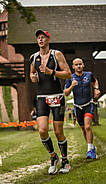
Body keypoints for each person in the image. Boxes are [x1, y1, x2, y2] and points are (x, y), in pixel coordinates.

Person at [30, 29, 72, 174]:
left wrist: (51, 72)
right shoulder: (33, 57)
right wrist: (33, 77)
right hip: (41, 97)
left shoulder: (57, 54)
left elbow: (68, 74)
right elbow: (32, 73)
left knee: (58, 131)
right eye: (38, 38)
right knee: (42, 130)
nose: (40, 40)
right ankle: (54, 157)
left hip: (57, 96)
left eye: (43, 37)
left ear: (48, 39)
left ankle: (65, 161)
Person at [64, 58, 101, 159]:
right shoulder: (70, 77)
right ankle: (91, 147)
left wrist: (96, 89)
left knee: (88, 126)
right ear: (73, 67)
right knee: (84, 129)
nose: (78, 66)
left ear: (83, 65)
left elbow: (95, 81)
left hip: (88, 104)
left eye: (80, 64)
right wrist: (72, 86)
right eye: (76, 65)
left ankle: (89, 150)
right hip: (77, 107)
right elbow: (66, 93)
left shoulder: (89, 74)